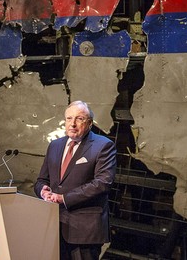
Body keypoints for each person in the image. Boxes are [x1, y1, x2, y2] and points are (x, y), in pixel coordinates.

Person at [35, 100, 117, 260]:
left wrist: (64, 198)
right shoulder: (55, 145)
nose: (72, 124)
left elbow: (102, 183)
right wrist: (43, 190)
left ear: (90, 123)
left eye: (79, 119)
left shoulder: (103, 145)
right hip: (54, 227)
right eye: (69, 118)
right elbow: (41, 180)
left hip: (84, 230)